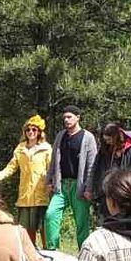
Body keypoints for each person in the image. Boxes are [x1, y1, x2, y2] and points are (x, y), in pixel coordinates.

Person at [44, 104, 98, 250]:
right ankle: (52, 250)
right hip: (61, 185)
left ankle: (85, 254)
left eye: (69, 117)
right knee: (50, 215)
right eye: (65, 118)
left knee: (81, 223)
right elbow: (54, 161)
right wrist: (49, 181)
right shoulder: (61, 136)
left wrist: (88, 188)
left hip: (79, 186)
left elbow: (92, 166)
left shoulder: (88, 137)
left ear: (77, 118)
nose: (66, 120)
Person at [0, 115, 53, 246]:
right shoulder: (20, 148)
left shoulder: (47, 148)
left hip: (41, 194)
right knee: (26, 229)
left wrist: (51, 185)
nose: (31, 132)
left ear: (39, 131)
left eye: (34, 129)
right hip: (25, 195)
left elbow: (52, 170)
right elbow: (11, 167)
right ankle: (29, 253)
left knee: (44, 226)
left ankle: (48, 252)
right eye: (28, 130)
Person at [89, 121, 131, 203]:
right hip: (106, 193)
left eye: (109, 139)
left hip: (124, 193)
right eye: (105, 140)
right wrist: (91, 188)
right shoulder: (104, 150)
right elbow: (96, 169)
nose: (107, 142)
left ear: (116, 137)